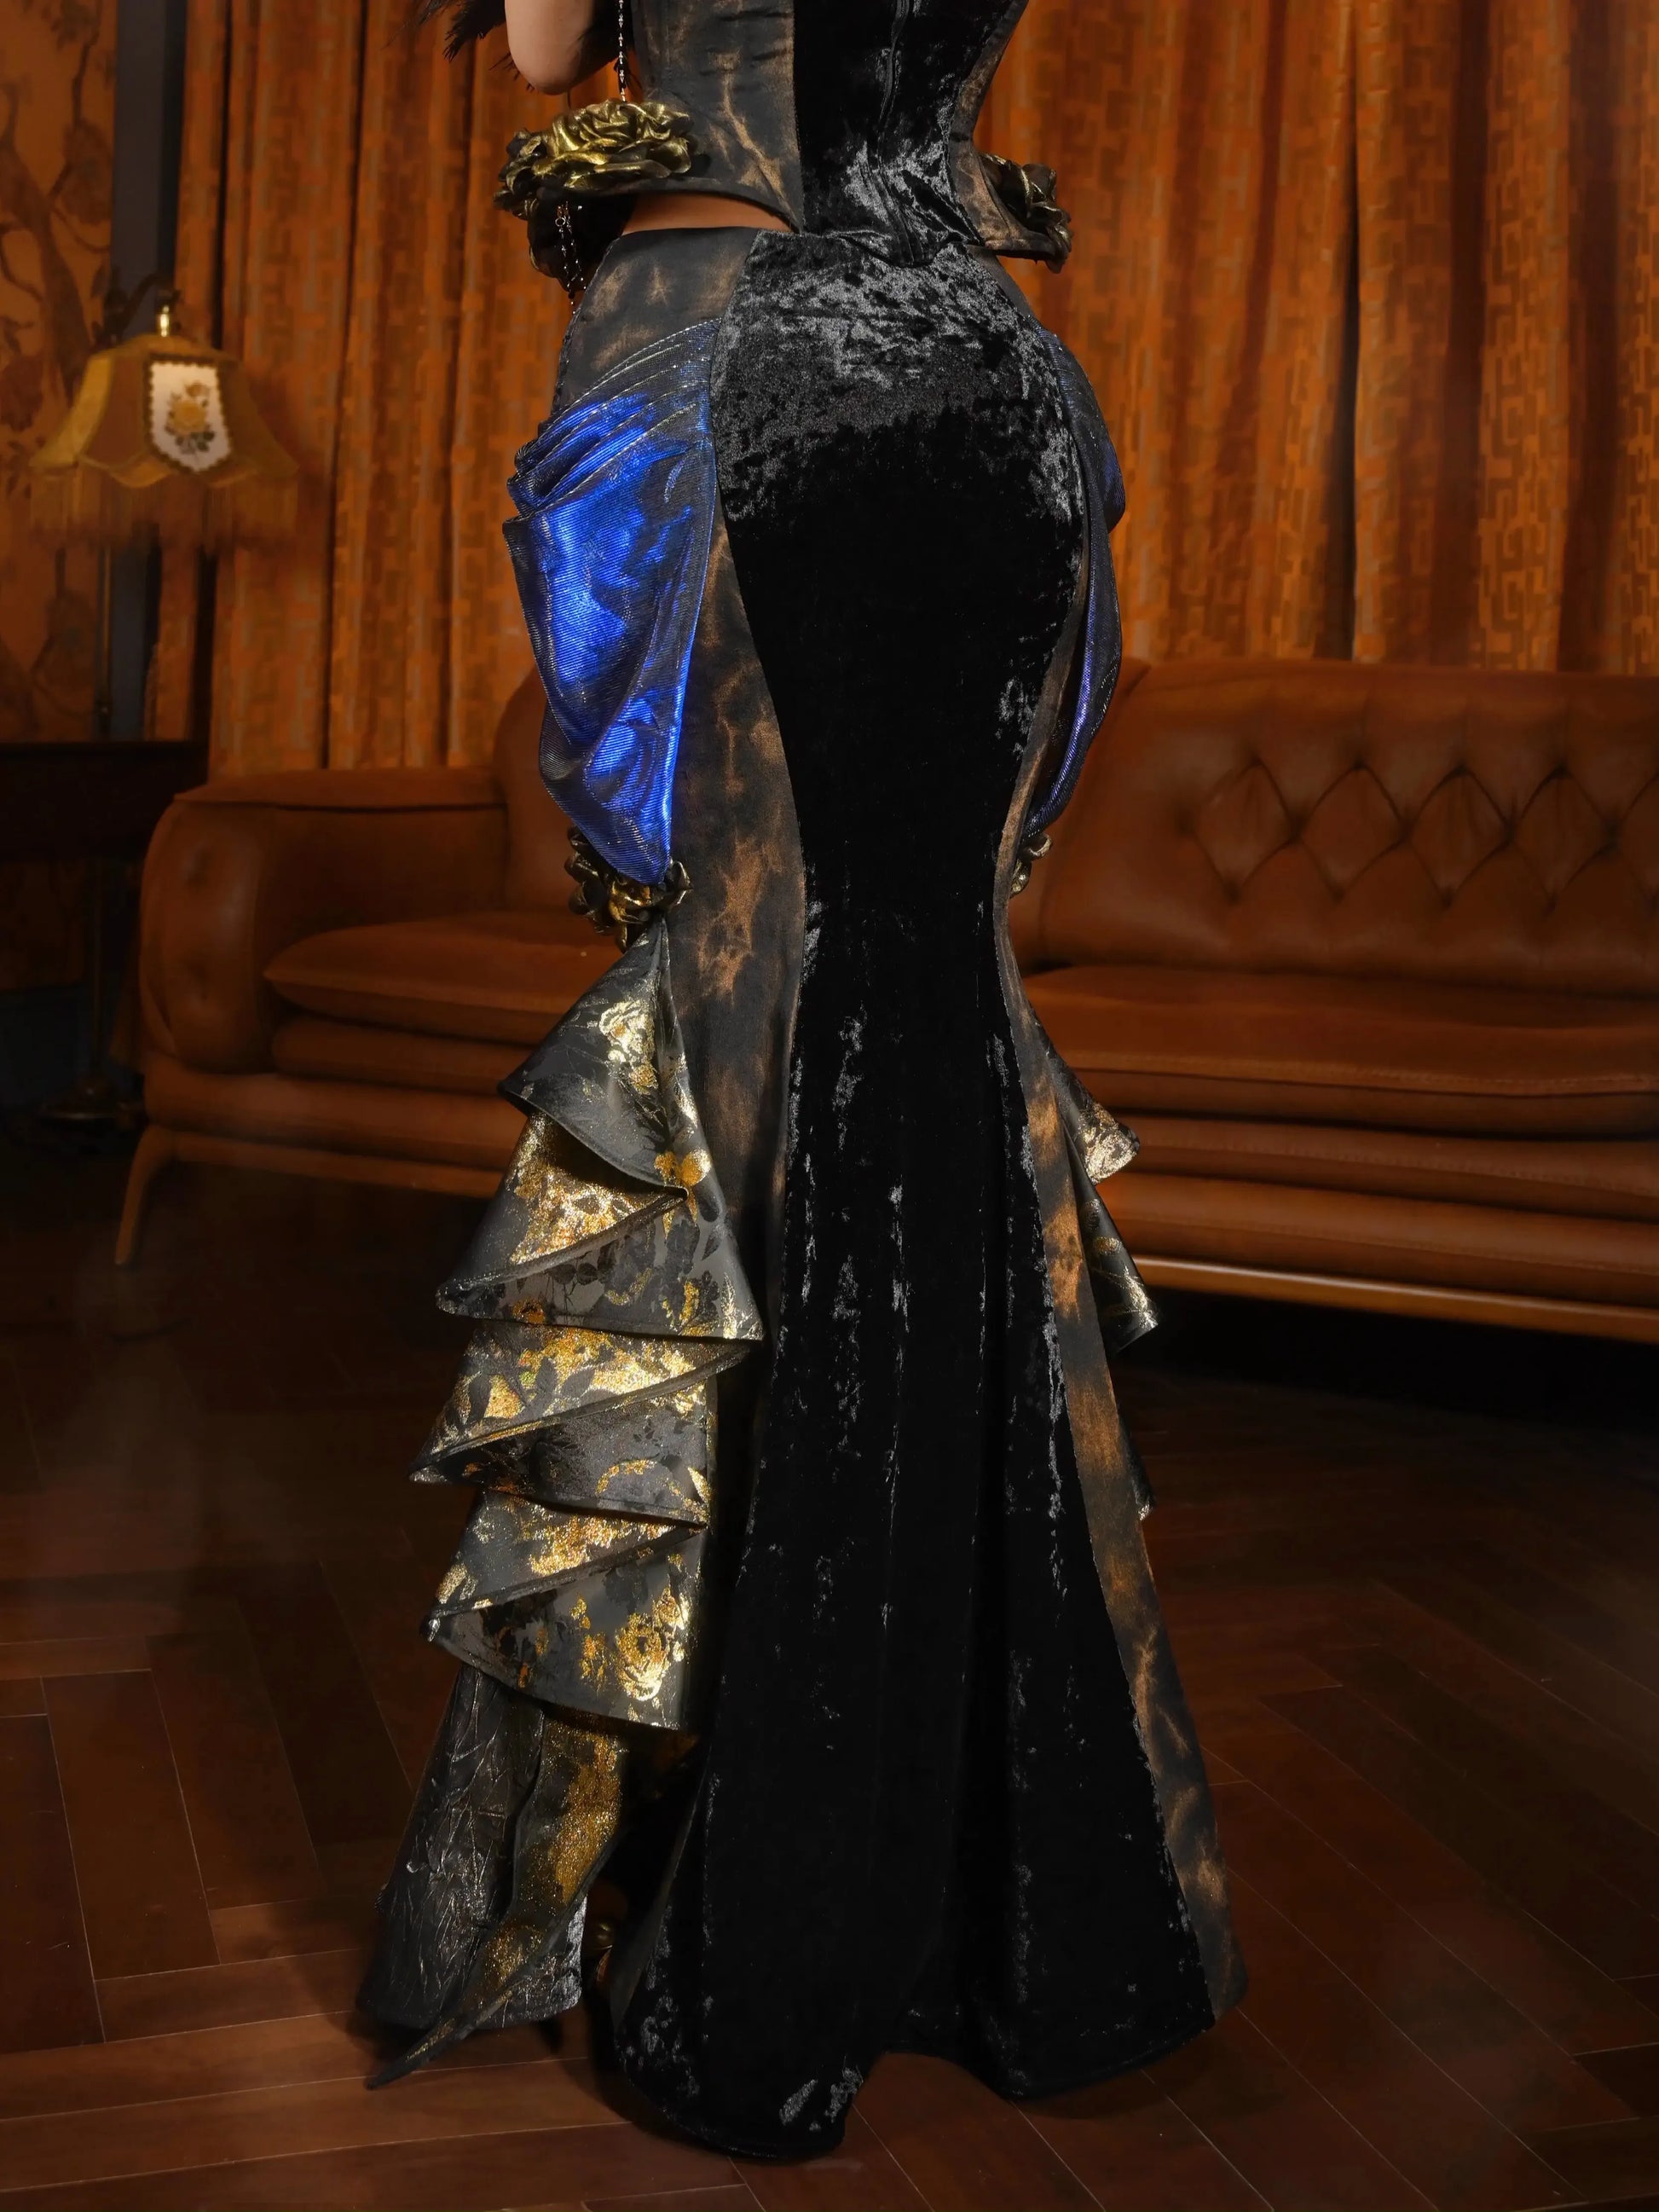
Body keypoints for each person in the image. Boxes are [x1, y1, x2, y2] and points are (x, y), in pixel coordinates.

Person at [361, 0, 1245, 2161]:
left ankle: (771, 1892)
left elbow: (546, 53)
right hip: (987, 380)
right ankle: (1013, 1896)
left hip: (725, 353)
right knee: (932, 1017)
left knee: (754, 1047)